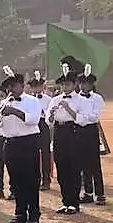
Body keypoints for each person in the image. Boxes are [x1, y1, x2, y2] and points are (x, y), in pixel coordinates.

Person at [0, 69, 42, 223]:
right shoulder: (4, 103)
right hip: (10, 143)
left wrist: (14, 111)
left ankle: (34, 214)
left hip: (28, 142)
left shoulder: (32, 101)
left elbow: (33, 120)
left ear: (22, 86)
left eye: (13, 86)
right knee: (16, 181)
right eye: (8, 87)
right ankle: (20, 213)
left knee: (31, 180)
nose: (10, 90)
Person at [47, 70, 89, 215]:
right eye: (63, 85)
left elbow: (83, 120)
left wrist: (68, 108)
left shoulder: (81, 100)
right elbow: (49, 122)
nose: (65, 87)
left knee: (74, 169)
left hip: (74, 132)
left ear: (75, 84)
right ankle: (65, 201)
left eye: (68, 84)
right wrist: (52, 115)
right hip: (59, 132)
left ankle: (74, 203)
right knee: (62, 168)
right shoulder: (54, 99)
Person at [77, 68, 106, 205]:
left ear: (91, 84)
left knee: (95, 163)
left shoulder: (97, 98)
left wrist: (81, 118)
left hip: (91, 131)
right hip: (78, 131)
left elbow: (95, 116)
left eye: (86, 83)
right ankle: (88, 193)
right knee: (83, 163)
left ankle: (100, 194)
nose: (83, 86)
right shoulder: (76, 98)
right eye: (81, 83)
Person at [26, 73, 53, 191]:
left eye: (39, 86)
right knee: (32, 153)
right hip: (32, 125)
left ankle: (46, 179)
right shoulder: (28, 100)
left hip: (43, 125)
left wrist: (42, 112)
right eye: (34, 87)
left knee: (45, 153)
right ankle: (34, 178)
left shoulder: (48, 99)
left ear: (43, 87)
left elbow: (50, 113)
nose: (37, 89)